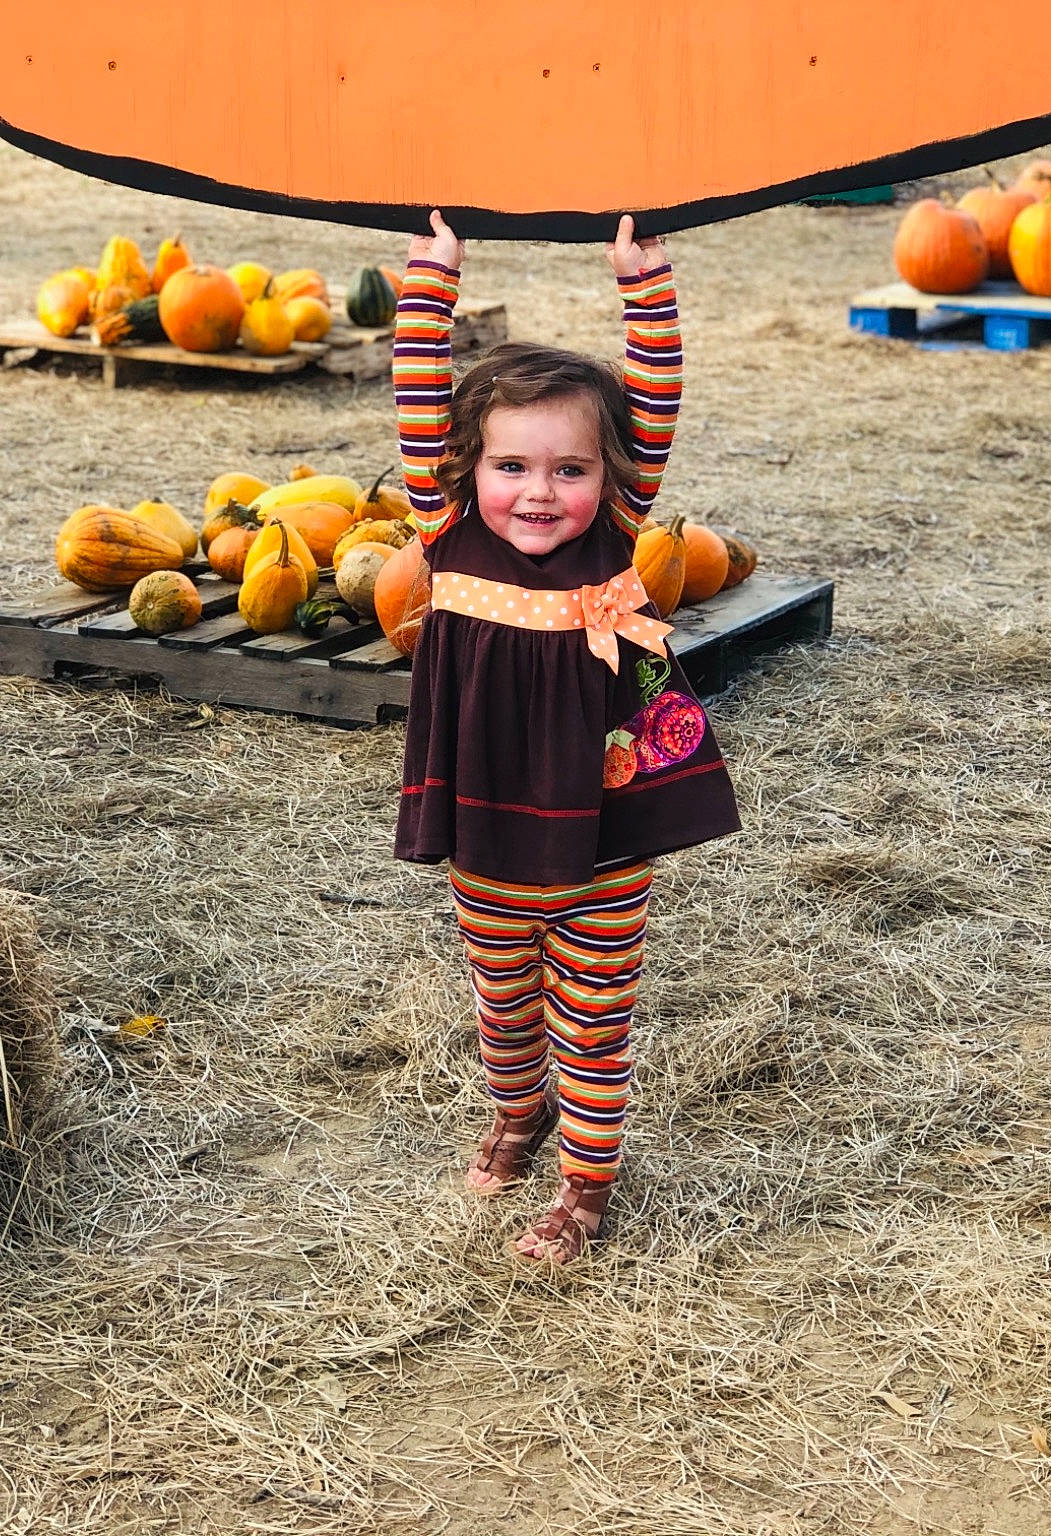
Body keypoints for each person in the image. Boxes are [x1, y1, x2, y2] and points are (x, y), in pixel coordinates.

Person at [392, 210, 741, 1263]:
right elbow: (416, 391)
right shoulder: (443, 530)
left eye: (568, 471)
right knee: (500, 993)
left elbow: (656, 392)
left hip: (603, 824)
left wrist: (645, 285)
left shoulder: (622, 532)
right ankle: (517, 1110)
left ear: (607, 475)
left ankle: (586, 1183)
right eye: (510, 467)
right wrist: (430, 277)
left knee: (591, 1010)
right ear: (466, 468)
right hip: (486, 816)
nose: (538, 492)